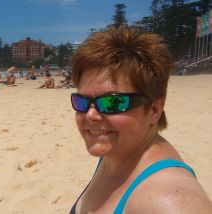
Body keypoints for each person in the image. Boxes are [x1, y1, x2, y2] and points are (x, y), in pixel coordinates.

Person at [69, 26, 212, 213]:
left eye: (113, 102)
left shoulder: (170, 201)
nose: (90, 115)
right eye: (82, 101)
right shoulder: (116, 152)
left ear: (154, 110)